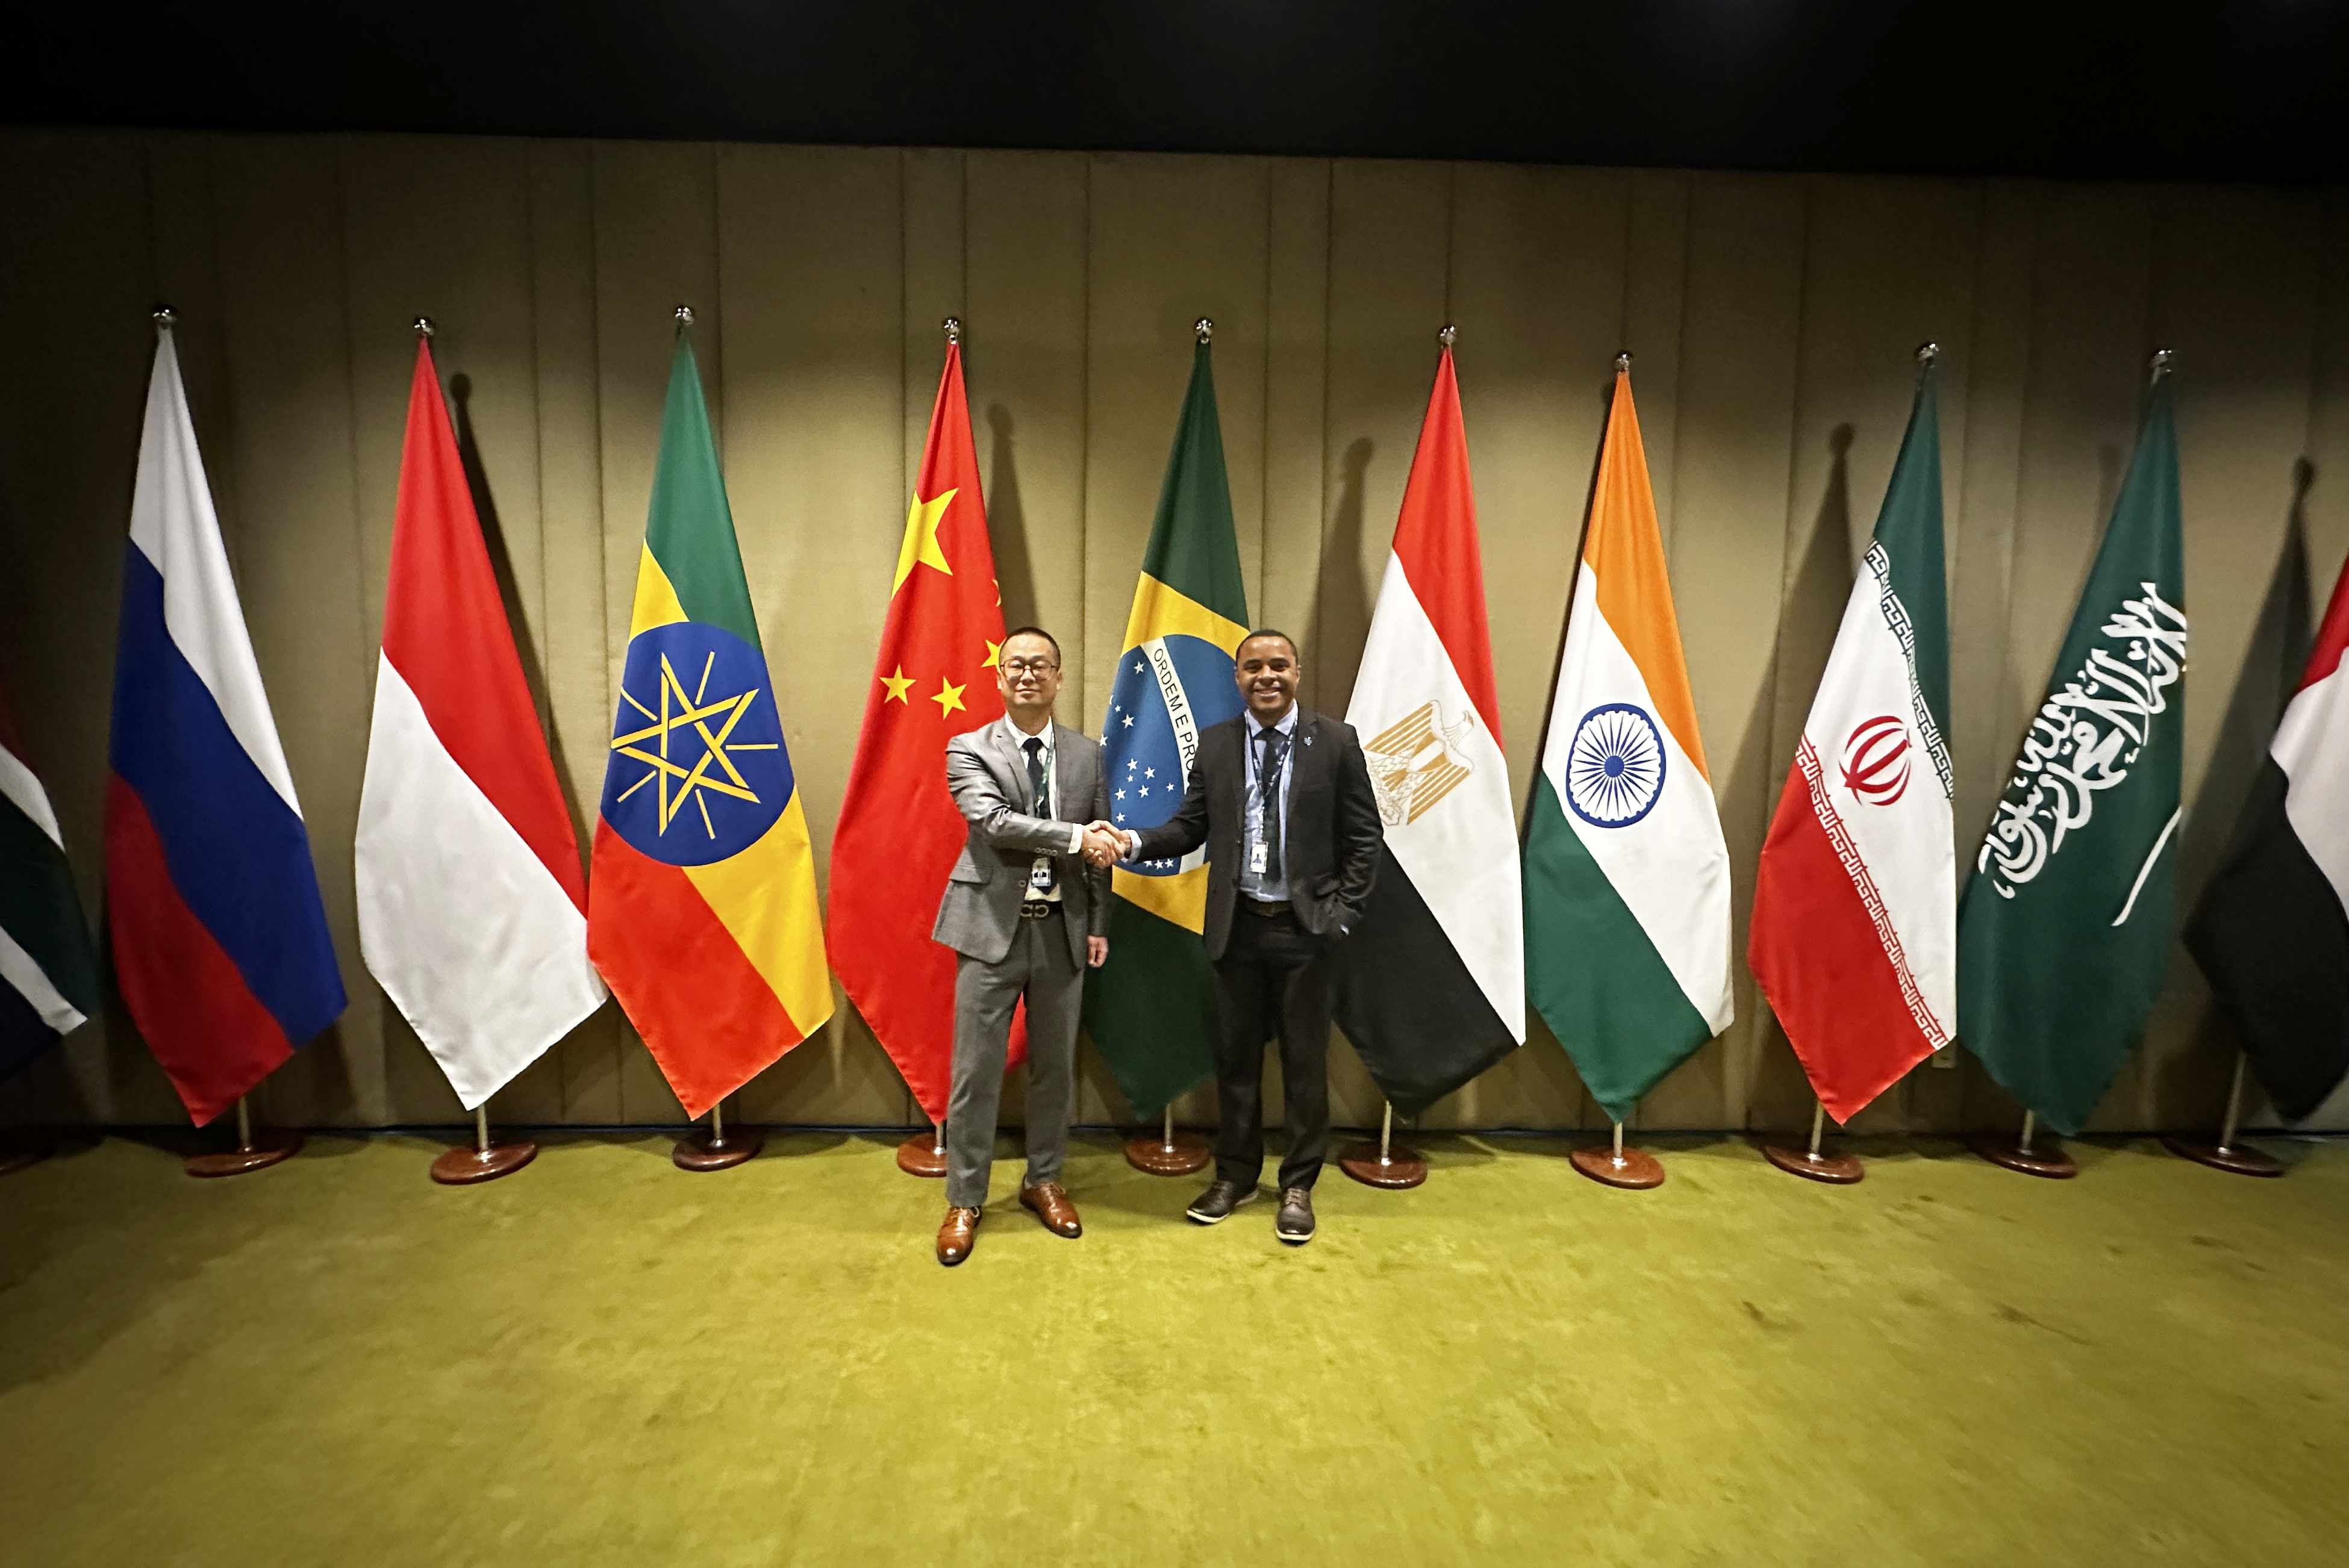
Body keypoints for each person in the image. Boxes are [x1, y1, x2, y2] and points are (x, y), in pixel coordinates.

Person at [1093, 629, 1382, 1244]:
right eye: (1253, 667)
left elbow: (1364, 839)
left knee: (1305, 1066)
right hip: (1238, 929)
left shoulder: (1336, 742)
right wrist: (1133, 841)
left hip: (1307, 933)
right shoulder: (1218, 743)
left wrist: (1342, 916)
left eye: (1278, 665)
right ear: (1237, 678)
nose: (1266, 676)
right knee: (1237, 1064)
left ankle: (1298, 1185)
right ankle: (1237, 1176)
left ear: (1297, 672)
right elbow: (1189, 827)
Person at [931, 627, 1123, 1266]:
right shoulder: (969, 748)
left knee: (1055, 1069)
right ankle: (965, 1198)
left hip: (1062, 930)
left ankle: (1044, 1179)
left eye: (1041, 665)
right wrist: (1076, 836)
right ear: (999, 677)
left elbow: (1100, 851)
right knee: (975, 1071)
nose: (1028, 674)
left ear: (1059, 678)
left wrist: (1098, 923)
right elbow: (993, 823)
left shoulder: (1088, 755)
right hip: (990, 930)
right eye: (1016, 665)